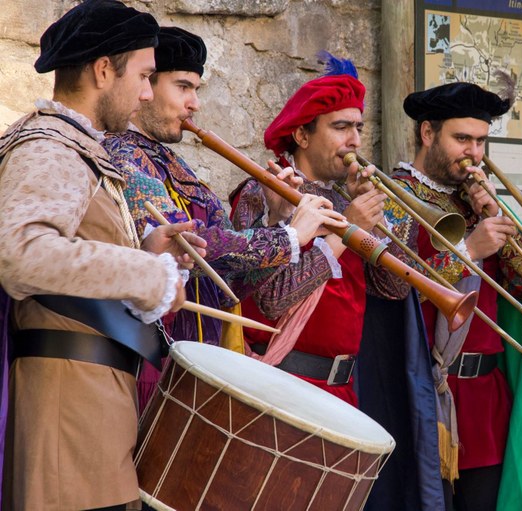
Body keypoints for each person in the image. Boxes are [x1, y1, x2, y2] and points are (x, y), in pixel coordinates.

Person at [0, 1, 202, 509]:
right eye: (143, 75)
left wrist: (144, 250)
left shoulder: (74, 146)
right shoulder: (50, 146)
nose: (145, 92)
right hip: (67, 409)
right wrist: (145, 273)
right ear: (103, 69)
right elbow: (21, 253)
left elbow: (69, 254)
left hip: (91, 401)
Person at [103, 27, 345, 407]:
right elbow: (189, 246)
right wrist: (289, 238)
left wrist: (276, 220)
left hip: (197, 367)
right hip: (150, 365)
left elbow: (229, 283)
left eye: (196, 89)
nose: (194, 103)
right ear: (147, 84)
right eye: (183, 86)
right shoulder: (121, 153)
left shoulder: (176, 164)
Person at [385, 82, 522, 511]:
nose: (475, 153)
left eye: (481, 140)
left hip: (487, 398)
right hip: (422, 390)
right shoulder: (394, 194)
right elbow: (395, 291)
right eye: (462, 138)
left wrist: (496, 216)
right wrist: (470, 252)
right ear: (428, 134)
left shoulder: (476, 198)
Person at [229, 53, 410, 406]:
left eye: (358, 127)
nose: (355, 141)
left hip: (341, 390)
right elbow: (271, 300)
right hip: (280, 384)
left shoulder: (346, 202)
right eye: (341, 127)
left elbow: (394, 288)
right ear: (302, 135)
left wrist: (376, 221)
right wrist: (346, 233)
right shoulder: (262, 191)